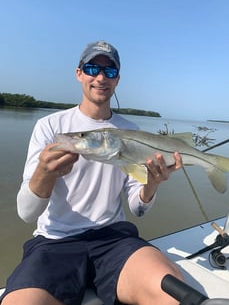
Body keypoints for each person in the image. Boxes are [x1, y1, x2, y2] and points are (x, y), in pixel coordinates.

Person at [1, 40, 184, 305]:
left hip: (113, 238)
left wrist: (151, 185)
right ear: (79, 74)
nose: (100, 77)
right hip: (54, 242)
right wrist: (45, 172)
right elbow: (26, 213)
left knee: (172, 293)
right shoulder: (50, 127)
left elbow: (138, 209)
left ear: (117, 80)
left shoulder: (131, 133)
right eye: (92, 68)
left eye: (109, 72)